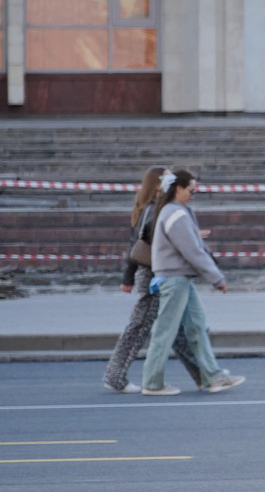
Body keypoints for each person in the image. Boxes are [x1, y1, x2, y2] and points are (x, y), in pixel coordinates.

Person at [136, 170, 246, 396]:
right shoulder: (175, 214)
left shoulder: (172, 211)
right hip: (175, 278)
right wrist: (216, 278)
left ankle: (212, 377)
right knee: (166, 332)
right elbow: (193, 252)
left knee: (197, 327)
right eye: (191, 190)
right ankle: (153, 383)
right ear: (178, 189)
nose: (193, 194)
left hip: (179, 277)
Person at [104, 168, 207, 393]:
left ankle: (204, 375)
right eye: (167, 178)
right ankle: (115, 376)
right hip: (153, 274)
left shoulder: (153, 207)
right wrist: (128, 277)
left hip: (157, 273)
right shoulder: (153, 209)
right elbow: (144, 243)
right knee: (140, 327)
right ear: (158, 184)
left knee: (176, 328)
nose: (171, 182)